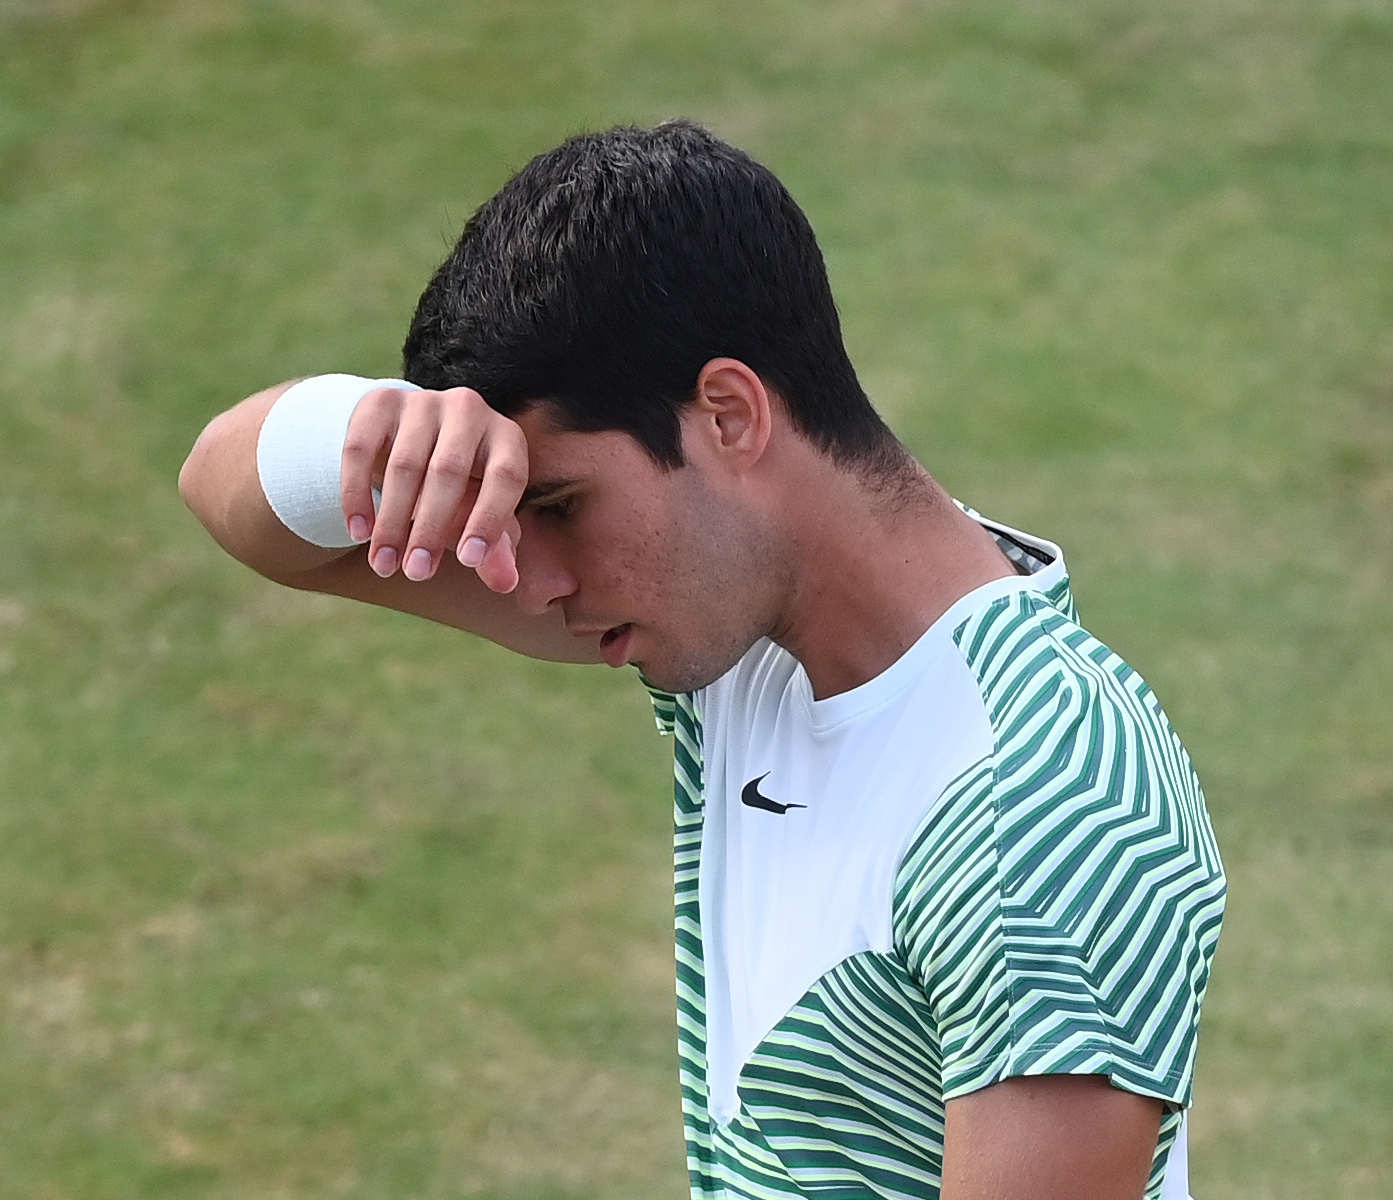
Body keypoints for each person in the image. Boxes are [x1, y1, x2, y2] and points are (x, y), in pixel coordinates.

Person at [179, 120, 1225, 1200]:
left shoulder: (1038, 808)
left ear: (727, 415)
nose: (530, 584)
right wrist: (364, 432)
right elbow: (234, 500)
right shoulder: (754, 632)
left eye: (559, 505)